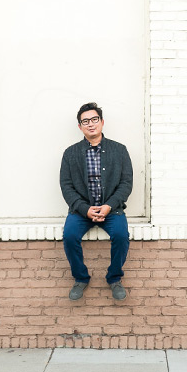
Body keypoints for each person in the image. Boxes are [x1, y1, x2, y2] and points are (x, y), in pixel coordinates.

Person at [60, 102, 133, 301]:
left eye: (94, 120)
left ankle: (114, 278)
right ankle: (81, 278)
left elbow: (126, 184)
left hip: (112, 209)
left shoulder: (119, 150)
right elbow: (66, 186)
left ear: (102, 122)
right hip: (81, 211)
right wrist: (84, 209)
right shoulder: (70, 153)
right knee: (69, 236)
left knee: (120, 235)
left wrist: (109, 206)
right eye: (85, 121)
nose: (90, 124)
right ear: (80, 126)